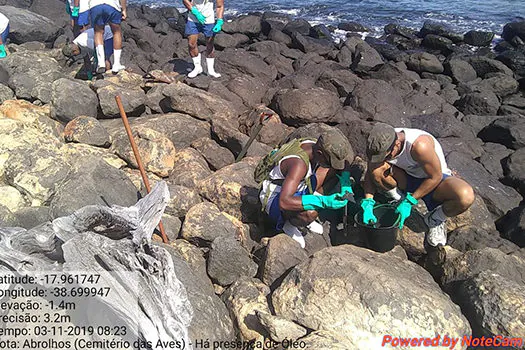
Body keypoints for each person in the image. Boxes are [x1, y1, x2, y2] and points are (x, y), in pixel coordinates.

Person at [362, 123, 475, 263]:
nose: (384, 158)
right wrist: (368, 202)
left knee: (465, 196)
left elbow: (435, 177)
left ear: (397, 144)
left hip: (433, 180)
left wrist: (410, 202)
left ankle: (435, 218)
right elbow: (370, 173)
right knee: (375, 169)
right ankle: (397, 197)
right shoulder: (379, 143)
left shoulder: (419, 146)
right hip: (407, 178)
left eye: (387, 156)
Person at [257, 129, 354, 248]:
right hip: (276, 197)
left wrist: (345, 184)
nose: (330, 165)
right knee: (311, 213)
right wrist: (323, 202)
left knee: (333, 172)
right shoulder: (299, 165)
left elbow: (344, 164)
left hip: (299, 186)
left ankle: (305, 205)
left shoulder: (314, 145)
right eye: (329, 161)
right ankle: (288, 224)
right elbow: (284, 202)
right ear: (320, 153)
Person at [183, 0, 224, 78]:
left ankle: (211, 70)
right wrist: (194, 11)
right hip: (193, 19)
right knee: (191, 44)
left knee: (210, 43)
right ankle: (197, 67)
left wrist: (219, 21)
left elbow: (220, 6)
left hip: (209, 20)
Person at [89, 0, 127, 74]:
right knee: (116, 32)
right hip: (112, 5)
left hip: (95, 5)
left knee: (98, 32)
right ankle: (116, 64)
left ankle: (101, 63)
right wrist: (124, 9)